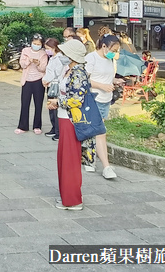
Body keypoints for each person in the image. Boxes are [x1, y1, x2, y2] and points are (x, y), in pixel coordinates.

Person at [47, 39, 90, 210]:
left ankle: (73, 199)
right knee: (65, 159)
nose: (62, 55)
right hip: (65, 117)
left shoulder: (78, 73)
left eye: (65, 53)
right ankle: (67, 196)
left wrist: (58, 102)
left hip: (71, 119)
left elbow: (76, 100)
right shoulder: (71, 70)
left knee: (70, 159)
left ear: (72, 56)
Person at [84, 34, 122, 180]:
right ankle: (106, 166)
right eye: (114, 49)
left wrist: (115, 81)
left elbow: (107, 76)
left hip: (106, 99)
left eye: (117, 50)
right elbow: (84, 79)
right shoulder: (91, 58)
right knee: (100, 132)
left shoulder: (110, 59)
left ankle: (89, 159)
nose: (115, 52)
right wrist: (102, 86)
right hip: (93, 98)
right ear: (104, 46)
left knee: (94, 131)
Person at [15, 33, 49, 134]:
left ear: (41, 44)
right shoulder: (25, 51)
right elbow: (22, 64)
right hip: (27, 80)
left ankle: (37, 126)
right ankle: (22, 126)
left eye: (38, 44)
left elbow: (44, 68)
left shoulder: (43, 53)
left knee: (38, 104)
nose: (36, 45)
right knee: (25, 103)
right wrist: (29, 61)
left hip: (39, 80)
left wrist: (38, 64)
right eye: (34, 43)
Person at [41, 37, 65, 141]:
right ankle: (54, 128)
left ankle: (58, 131)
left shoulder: (59, 58)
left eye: (48, 48)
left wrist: (46, 79)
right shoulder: (52, 58)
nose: (47, 50)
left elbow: (56, 73)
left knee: (55, 108)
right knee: (50, 107)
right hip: (50, 84)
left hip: (55, 85)